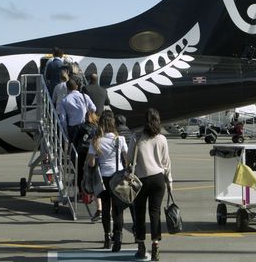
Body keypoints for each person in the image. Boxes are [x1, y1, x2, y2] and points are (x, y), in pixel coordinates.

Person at [128, 108, 172, 261]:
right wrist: (170, 181)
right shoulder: (161, 139)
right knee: (155, 213)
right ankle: (155, 246)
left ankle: (141, 245)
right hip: (158, 179)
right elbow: (167, 163)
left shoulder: (137, 137)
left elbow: (128, 159)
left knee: (139, 212)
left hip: (141, 179)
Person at [87, 110, 128, 251]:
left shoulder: (96, 140)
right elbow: (127, 160)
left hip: (103, 176)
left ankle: (106, 237)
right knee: (118, 209)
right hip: (117, 176)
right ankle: (118, 236)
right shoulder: (120, 139)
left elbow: (91, 163)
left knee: (105, 208)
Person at [59, 79, 97, 147]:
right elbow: (94, 108)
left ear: (67, 88)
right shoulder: (85, 96)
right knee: (85, 146)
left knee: (74, 147)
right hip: (85, 126)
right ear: (76, 86)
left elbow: (63, 119)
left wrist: (66, 132)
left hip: (73, 128)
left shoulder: (64, 100)